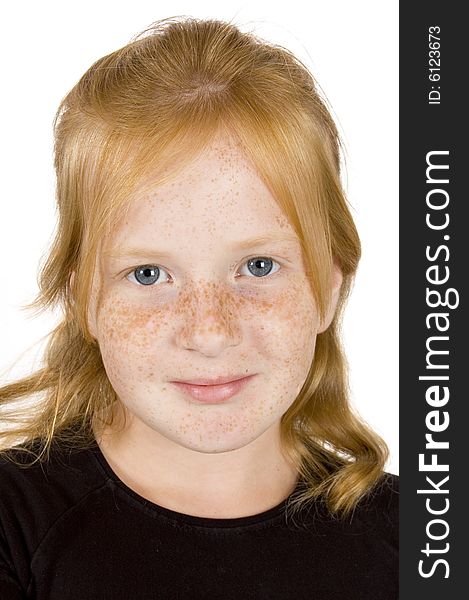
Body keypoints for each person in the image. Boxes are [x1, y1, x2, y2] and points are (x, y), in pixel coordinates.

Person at [0, 16, 398, 600]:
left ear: (329, 287)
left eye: (258, 267)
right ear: (84, 296)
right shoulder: (14, 529)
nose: (209, 332)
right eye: (149, 274)